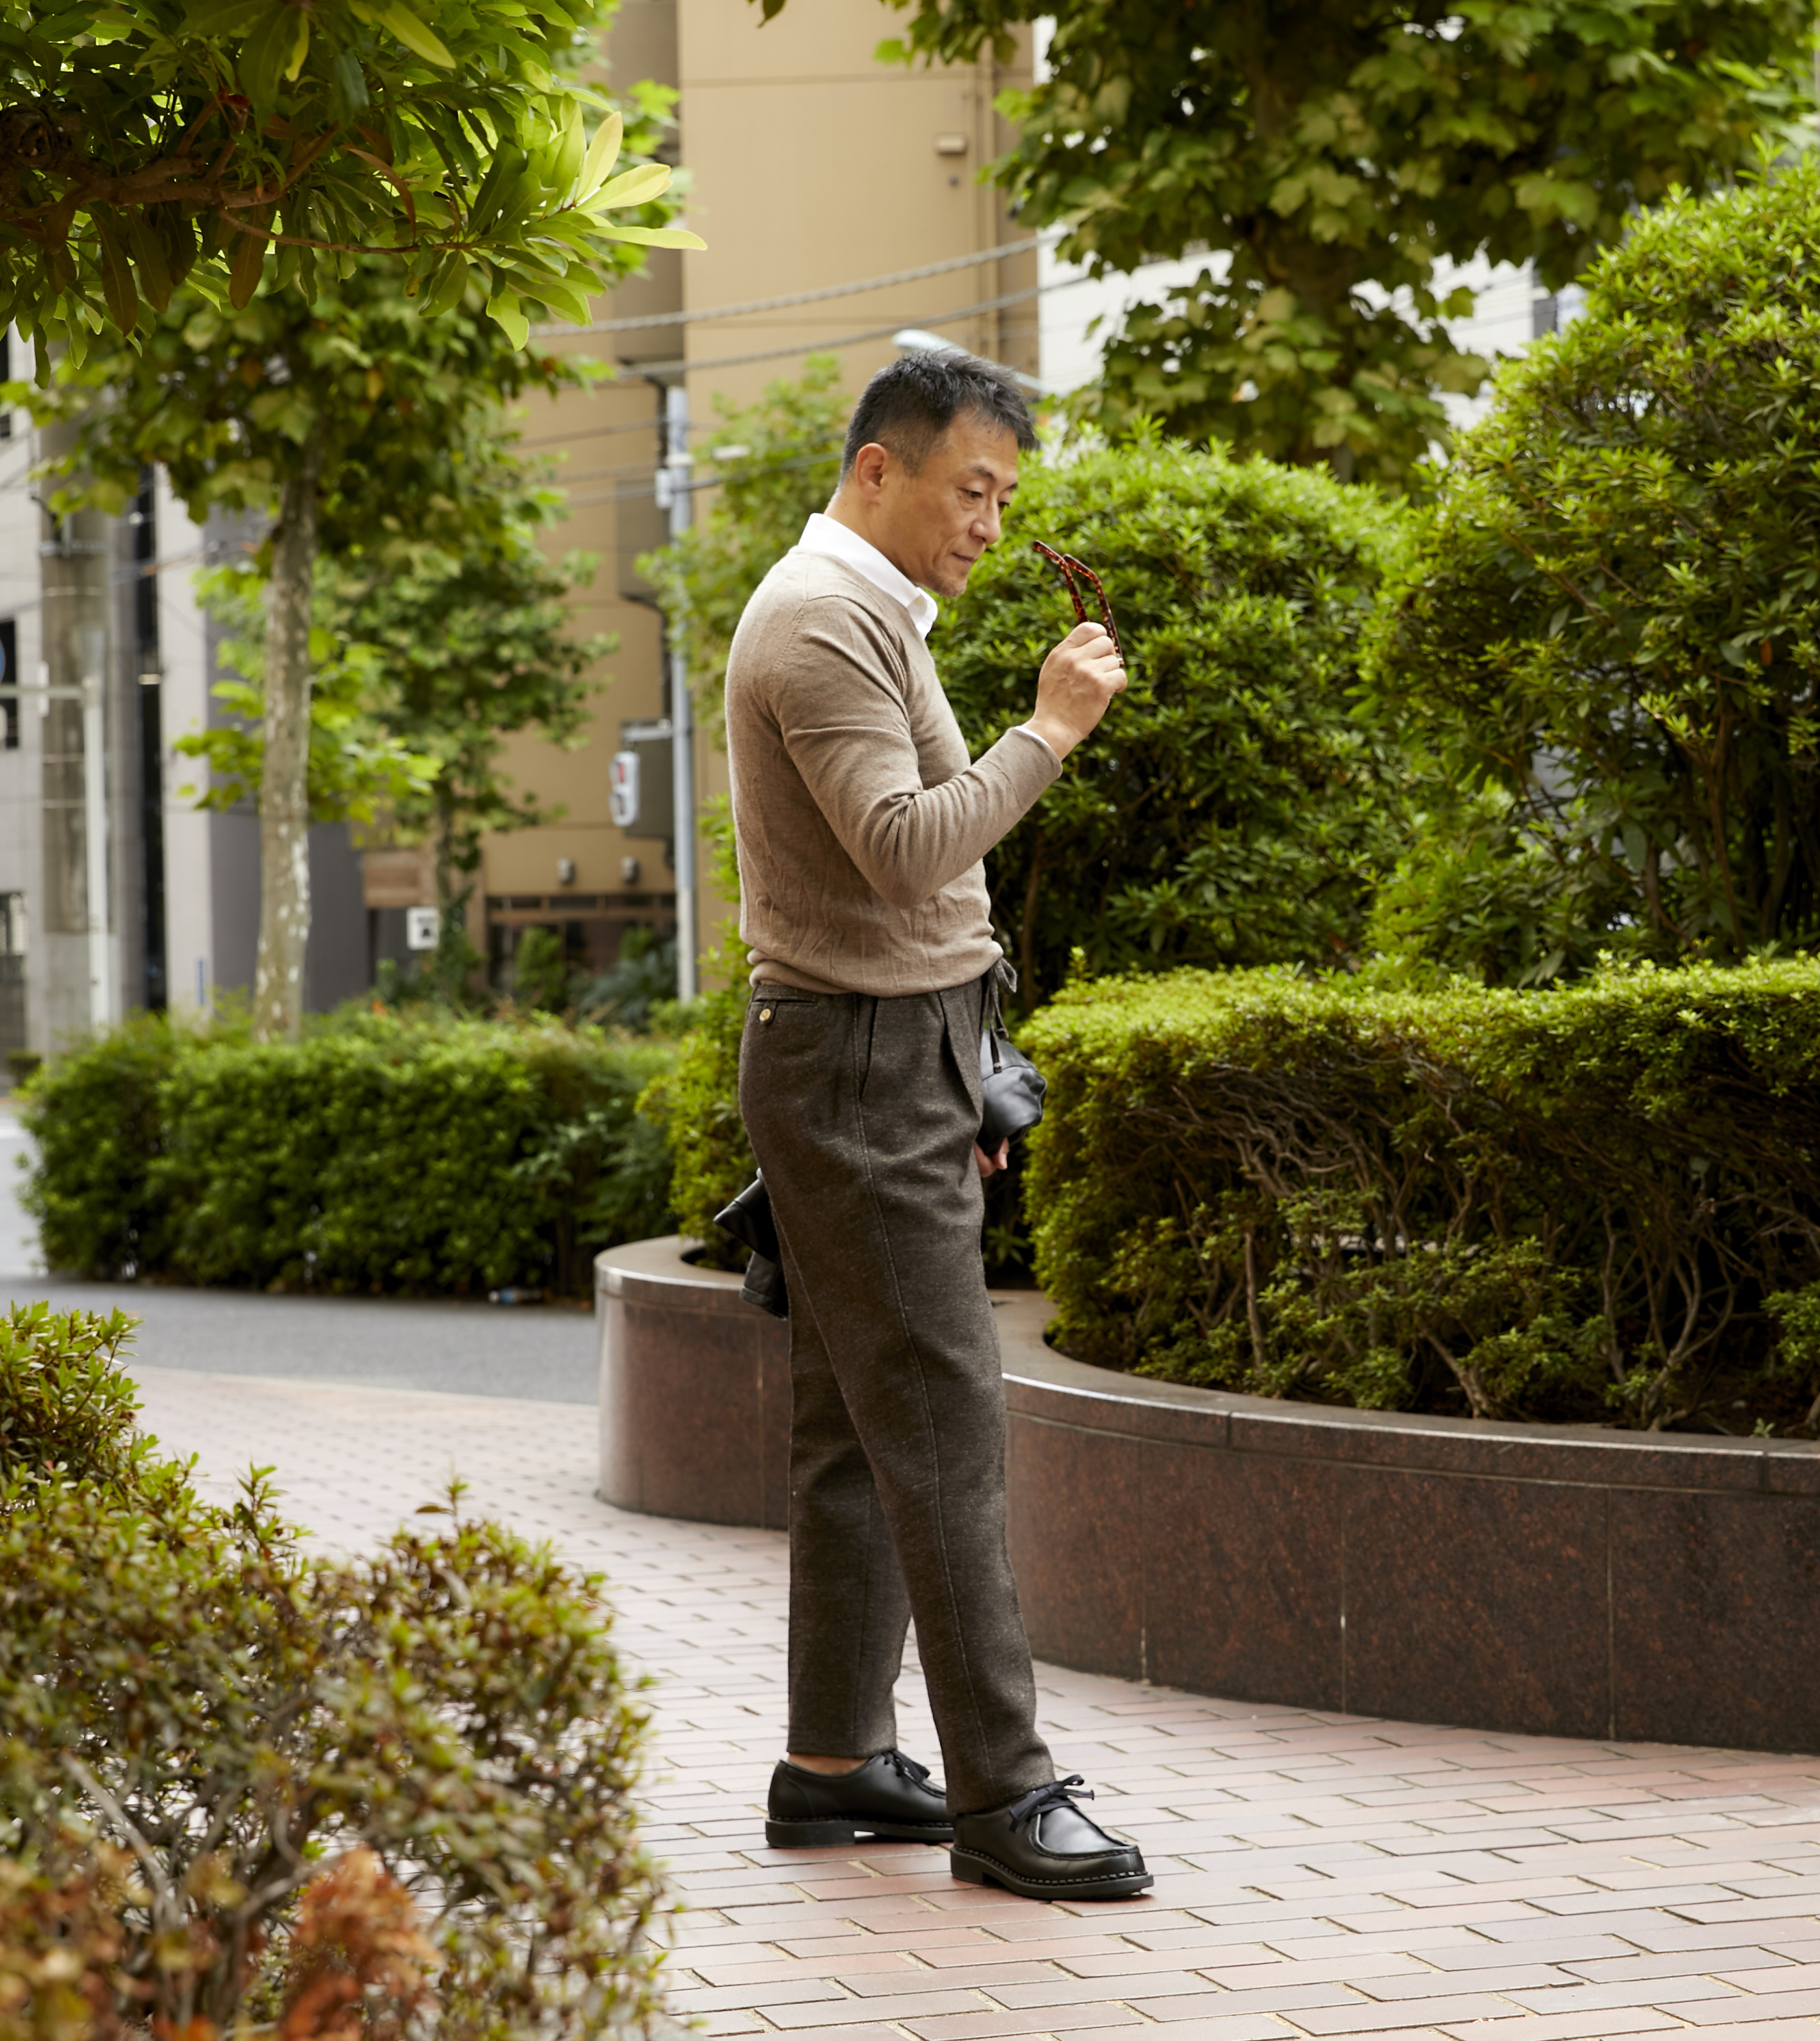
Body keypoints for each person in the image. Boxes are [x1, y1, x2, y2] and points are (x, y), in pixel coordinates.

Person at [726, 350, 1143, 1901]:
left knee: (855, 1425)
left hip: (883, 1055)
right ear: (877, 468)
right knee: (950, 1429)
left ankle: (833, 1761)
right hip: (859, 1061)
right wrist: (1052, 728)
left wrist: (956, 1068)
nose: (987, 524)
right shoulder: (825, 619)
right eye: (971, 491)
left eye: (1005, 500)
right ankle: (1004, 1797)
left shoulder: (862, 608)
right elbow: (906, 852)